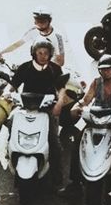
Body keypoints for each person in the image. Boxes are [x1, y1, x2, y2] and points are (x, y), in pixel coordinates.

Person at [11, 37, 68, 187]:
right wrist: (7, 94)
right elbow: (13, 85)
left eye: (46, 53)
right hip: (25, 107)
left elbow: (61, 87)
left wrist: (60, 102)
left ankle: (58, 181)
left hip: (46, 109)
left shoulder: (55, 69)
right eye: (40, 53)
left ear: (50, 54)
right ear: (34, 53)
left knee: (54, 144)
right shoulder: (24, 68)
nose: (43, 56)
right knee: (10, 123)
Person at [70, 53, 111, 185]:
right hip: (96, 119)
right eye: (103, 69)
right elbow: (86, 99)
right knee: (79, 142)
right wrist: (77, 106)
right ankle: (74, 183)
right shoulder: (96, 82)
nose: (106, 72)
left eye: (109, 69)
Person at [0, 8, 65, 69]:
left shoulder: (57, 36)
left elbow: (60, 61)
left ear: (49, 21)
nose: (39, 25)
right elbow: (17, 44)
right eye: (37, 21)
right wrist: (0, 53)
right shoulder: (34, 31)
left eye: (42, 22)